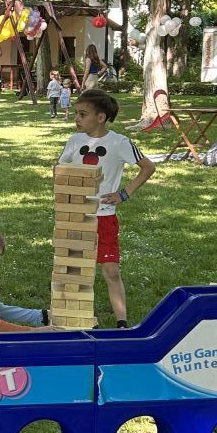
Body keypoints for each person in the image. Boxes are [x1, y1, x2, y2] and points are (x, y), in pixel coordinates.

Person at [58, 90, 155, 328]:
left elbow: (148, 167)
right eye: (76, 113)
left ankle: (122, 323)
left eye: (83, 114)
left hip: (104, 217)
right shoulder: (74, 141)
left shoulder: (120, 143)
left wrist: (124, 193)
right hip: (78, 216)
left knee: (111, 270)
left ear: (101, 117)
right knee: (77, 271)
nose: (76, 119)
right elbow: (61, 169)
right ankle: (83, 320)